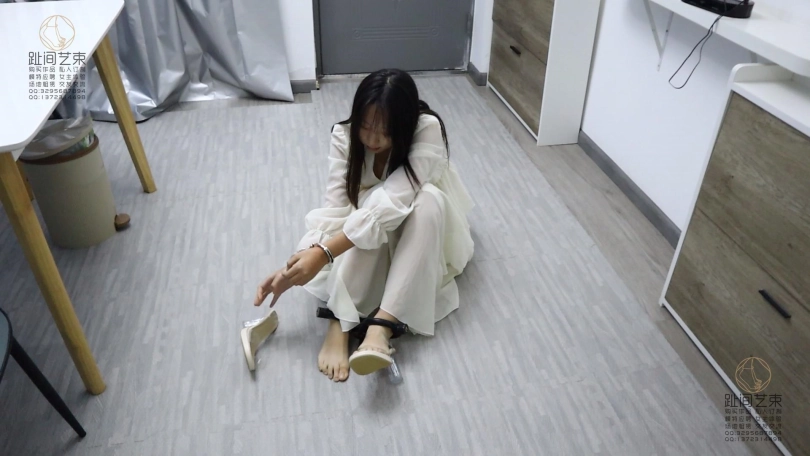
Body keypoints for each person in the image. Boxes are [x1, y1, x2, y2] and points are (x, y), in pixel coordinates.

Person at [253, 69, 474, 382]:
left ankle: (382, 326)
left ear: (404, 125)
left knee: (427, 199)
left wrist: (323, 253)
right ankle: (340, 320)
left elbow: (394, 201)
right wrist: (300, 260)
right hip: (367, 231)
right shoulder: (343, 136)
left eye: (385, 131)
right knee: (365, 209)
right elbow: (335, 210)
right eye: (366, 127)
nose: (372, 139)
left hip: (424, 227)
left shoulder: (427, 128)